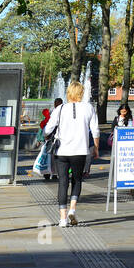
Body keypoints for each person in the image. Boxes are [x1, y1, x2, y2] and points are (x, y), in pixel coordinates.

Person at [42, 82, 99, 228]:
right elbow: (95, 130)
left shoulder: (60, 108)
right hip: (80, 151)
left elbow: (48, 128)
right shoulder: (89, 108)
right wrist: (96, 148)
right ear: (82, 92)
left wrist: (46, 136)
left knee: (62, 182)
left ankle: (62, 219)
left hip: (62, 152)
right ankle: (72, 209)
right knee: (77, 180)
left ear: (68, 93)